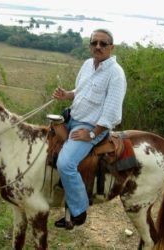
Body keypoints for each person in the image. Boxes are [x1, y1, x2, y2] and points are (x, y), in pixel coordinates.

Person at [52, 28, 127, 228]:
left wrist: (92, 133)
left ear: (112, 47)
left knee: (65, 163)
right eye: (94, 43)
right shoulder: (87, 65)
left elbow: (111, 113)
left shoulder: (116, 74)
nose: (98, 47)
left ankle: (79, 211)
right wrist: (67, 95)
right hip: (73, 117)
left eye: (103, 44)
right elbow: (81, 91)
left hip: (90, 126)